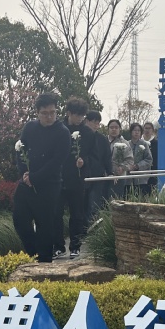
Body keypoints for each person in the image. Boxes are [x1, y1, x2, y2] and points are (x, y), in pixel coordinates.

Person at [12, 93, 71, 263]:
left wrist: (35, 178)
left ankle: (44, 262)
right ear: (37, 112)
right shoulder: (30, 127)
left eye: (53, 112)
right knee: (19, 219)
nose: (49, 116)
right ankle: (33, 253)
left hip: (49, 185)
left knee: (45, 225)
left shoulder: (63, 132)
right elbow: (20, 150)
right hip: (26, 182)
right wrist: (25, 173)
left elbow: (57, 161)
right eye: (45, 113)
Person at [55, 97, 97, 258]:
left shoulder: (88, 133)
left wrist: (84, 161)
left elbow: (94, 156)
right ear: (68, 113)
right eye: (77, 115)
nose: (80, 118)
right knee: (56, 214)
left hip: (77, 179)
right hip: (58, 178)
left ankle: (75, 246)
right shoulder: (58, 129)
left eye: (82, 115)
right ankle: (58, 246)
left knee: (77, 214)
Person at [84, 110, 112, 222]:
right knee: (83, 205)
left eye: (98, 123)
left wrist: (110, 172)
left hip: (97, 176)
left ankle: (93, 226)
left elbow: (107, 157)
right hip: (82, 176)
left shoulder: (102, 139)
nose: (96, 126)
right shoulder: (79, 135)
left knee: (94, 204)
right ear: (87, 121)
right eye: (94, 122)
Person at [106, 118, 134, 199]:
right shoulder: (103, 141)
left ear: (120, 129)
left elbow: (130, 160)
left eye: (116, 127)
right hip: (105, 175)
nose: (114, 129)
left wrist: (122, 167)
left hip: (119, 177)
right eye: (111, 127)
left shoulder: (125, 143)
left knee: (116, 199)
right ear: (108, 129)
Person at [127, 122, 154, 197]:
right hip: (128, 178)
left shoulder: (144, 144)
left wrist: (138, 166)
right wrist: (128, 166)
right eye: (134, 130)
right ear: (131, 132)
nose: (136, 132)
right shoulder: (127, 144)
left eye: (138, 130)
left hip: (141, 178)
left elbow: (149, 159)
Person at [143, 120, 159, 188]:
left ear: (152, 130)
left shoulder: (156, 143)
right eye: (146, 128)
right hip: (141, 171)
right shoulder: (140, 142)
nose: (147, 130)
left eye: (149, 128)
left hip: (153, 171)